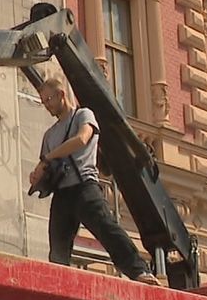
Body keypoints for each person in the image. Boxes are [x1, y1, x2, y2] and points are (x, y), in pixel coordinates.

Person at [30, 76, 159, 285]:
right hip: (62, 193)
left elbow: (82, 139)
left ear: (61, 95)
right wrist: (37, 176)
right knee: (57, 245)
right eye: (43, 101)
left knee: (106, 228)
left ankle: (139, 271)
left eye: (49, 99)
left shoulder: (83, 115)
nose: (46, 105)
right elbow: (46, 165)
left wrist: (48, 158)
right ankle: (59, 285)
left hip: (84, 186)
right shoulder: (49, 135)